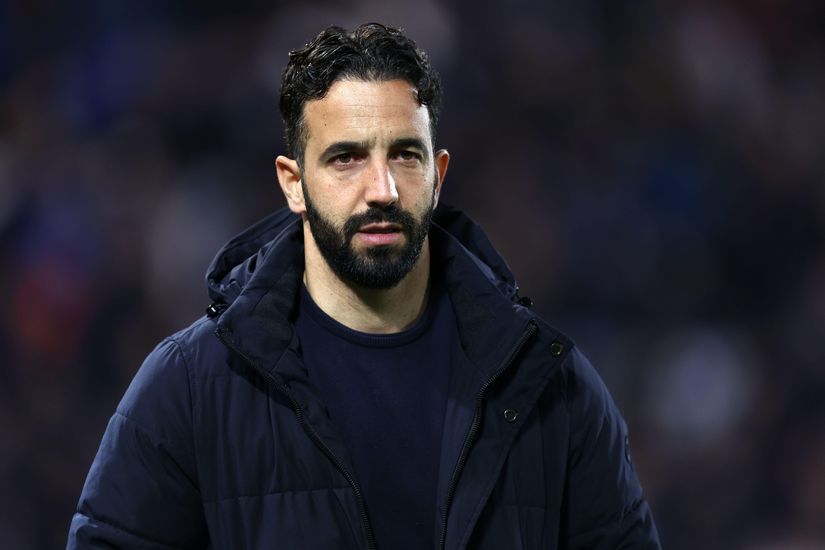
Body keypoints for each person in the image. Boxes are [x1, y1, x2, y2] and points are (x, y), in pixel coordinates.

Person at [68, 23, 661, 550]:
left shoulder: (550, 386)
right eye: (347, 158)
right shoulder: (189, 388)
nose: (382, 188)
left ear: (438, 175)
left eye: (405, 154)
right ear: (293, 183)